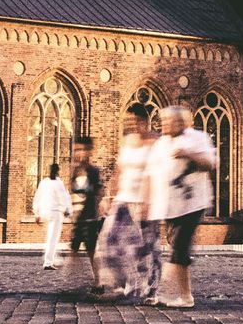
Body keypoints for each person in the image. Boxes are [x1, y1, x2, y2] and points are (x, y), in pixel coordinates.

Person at [148, 105, 217, 309]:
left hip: (193, 203)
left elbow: (209, 163)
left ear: (181, 122)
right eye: (163, 120)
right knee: (178, 248)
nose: (164, 124)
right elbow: (153, 174)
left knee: (180, 244)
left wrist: (188, 154)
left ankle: (171, 294)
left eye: (169, 120)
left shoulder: (197, 138)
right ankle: (182, 295)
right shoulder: (160, 144)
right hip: (170, 205)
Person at [96, 111, 161, 301]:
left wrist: (147, 201)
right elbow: (119, 170)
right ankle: (124, 283)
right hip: (124, 199)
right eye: (127, 121)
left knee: (147, 248)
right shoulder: (128, 143)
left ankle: (151, 290)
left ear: (143, 121)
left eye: (133, 121)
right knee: (108, 241)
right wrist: (109, 196)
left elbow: (154, 173)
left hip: (145, 200)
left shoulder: (154, 143)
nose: (130, 124)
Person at [66, 136, 104, 290]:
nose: (79, 153)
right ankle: (74, 282)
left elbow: (99, 191)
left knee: (91, 251)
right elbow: (73, 192)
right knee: (73, 249)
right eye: (76, 150)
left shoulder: (93, 171)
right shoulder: (74, 170)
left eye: (82, 150)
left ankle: (98, 282)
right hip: (78, 217)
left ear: (88, 152)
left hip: (89, 217)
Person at [32, 163, 70, 269]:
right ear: (58, 171)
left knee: (50, 237)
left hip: (45, 212)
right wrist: (67, 210)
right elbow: (63, 197)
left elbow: (37, 197)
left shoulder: (44, 182)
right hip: (55, 213)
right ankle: (48, 262)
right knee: (52, 238)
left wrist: (37, 213)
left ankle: (55, 258)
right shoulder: (58, 183)